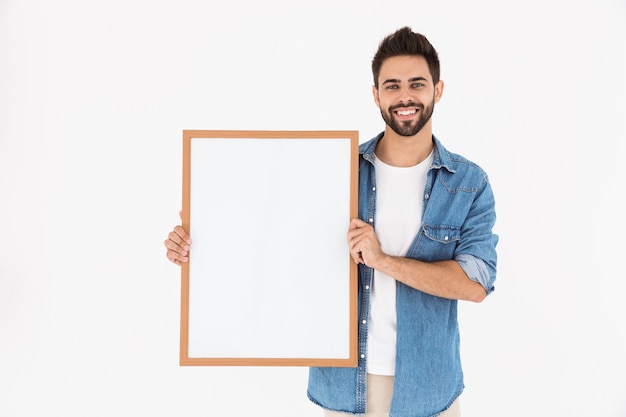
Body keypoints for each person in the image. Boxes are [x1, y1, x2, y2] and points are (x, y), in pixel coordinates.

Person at [164, 26, 498, 417]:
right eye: (391, 86)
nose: (404, 96)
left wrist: (382, 260)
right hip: (344, 387)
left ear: (437, 90)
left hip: (428, 390)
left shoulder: (468, 184)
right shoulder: (334, 170)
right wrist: (202, 240)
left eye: (417, 84)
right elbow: (274, 239)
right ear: (376, 95)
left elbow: (476, 284)